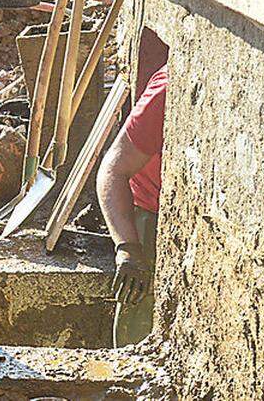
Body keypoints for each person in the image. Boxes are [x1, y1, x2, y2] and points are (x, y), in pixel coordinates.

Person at [96, 65, 168, 346]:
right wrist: (128, 249)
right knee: (136, 341)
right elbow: (112, 170)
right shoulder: (166, 92)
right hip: (147, 223)